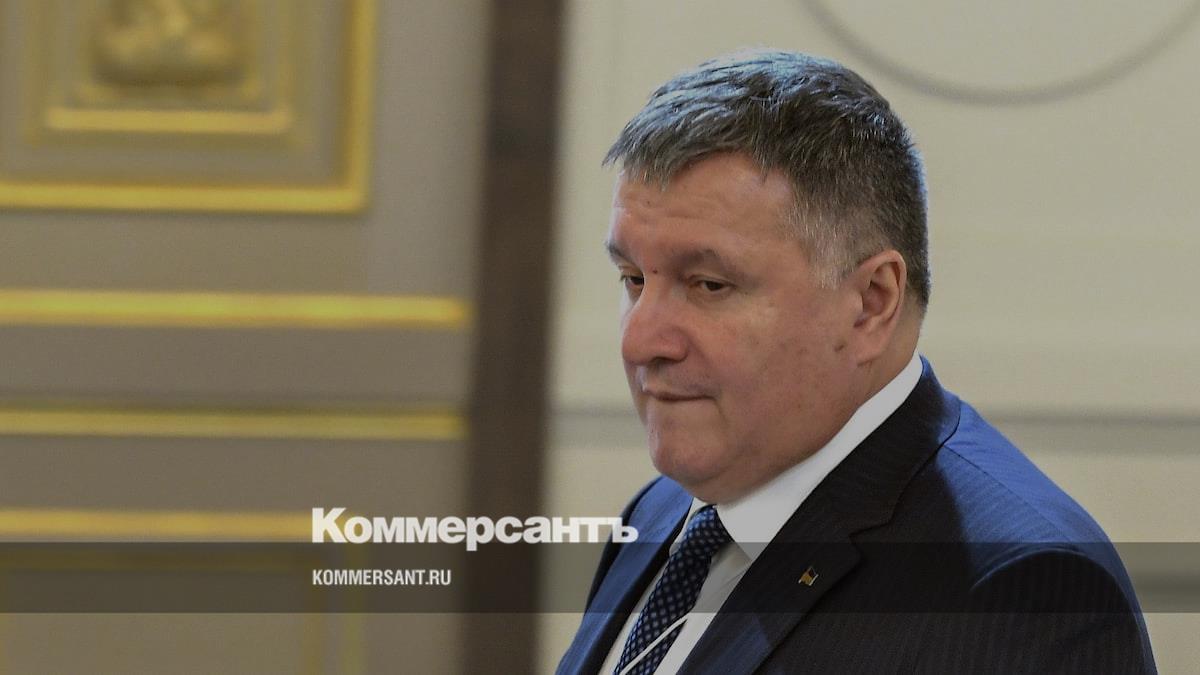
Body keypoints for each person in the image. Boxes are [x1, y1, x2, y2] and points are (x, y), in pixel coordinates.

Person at [556, 49, 1156, 674]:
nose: (641, 341)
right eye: (633, 279)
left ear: (871, 303)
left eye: (709, 285)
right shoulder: (661, 512)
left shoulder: (1023, 594)